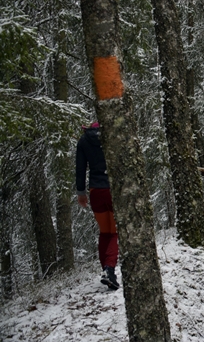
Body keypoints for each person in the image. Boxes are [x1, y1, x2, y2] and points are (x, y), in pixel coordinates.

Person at [75, 122, 119, 290]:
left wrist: (81, 193)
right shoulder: (111, 137)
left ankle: (106, 271)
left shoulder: (84, 141)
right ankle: (109, 270)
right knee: (114, 232)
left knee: (105, 233)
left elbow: (80, 169)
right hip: (112, 189)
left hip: (96, 191)